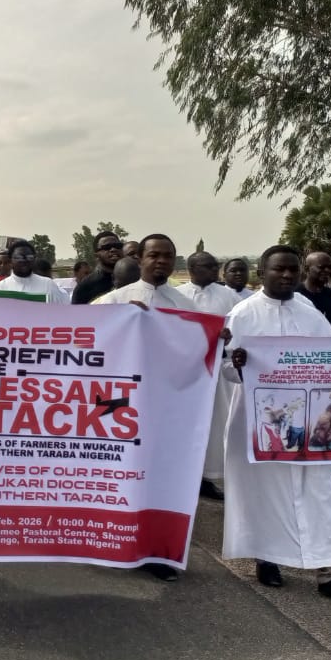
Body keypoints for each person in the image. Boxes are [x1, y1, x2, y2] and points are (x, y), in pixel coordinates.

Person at [225, 245, 331, 601]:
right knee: (265, 494)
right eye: (280, 270)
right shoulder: (242, 314)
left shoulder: (310, 313)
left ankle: (329, 573)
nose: (288, 276)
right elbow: (226, 368)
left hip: (309, 421)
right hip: (261, 424)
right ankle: (268, 558)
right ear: (263, 272)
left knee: (319, 493)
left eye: (292, 269)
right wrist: (239, 363)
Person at [95, 234, 197, 582]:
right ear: (140, 259)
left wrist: (217, 341)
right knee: (117, 475)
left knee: (156, 479)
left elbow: (197, 352)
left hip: (164, 406)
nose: (161, 262)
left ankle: (153, 550)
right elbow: (90, 340)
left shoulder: (185, 306)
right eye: (154, 255)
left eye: (168, 256)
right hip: (117, 406)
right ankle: (107, 540)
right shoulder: (114, 301)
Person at [176, 251, 244, 501]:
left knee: (215, 424)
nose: (216, 269)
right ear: (192, 268)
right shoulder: (178, 296)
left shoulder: (229, 296)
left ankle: (207, 477)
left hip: (216, 373)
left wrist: (227, 336)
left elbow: (239, 330)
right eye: (209, 265)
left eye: (216, 265)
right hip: (183, 374)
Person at [0, 240, 69, 303]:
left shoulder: (47, 285)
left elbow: (61, 312)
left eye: (29, 257)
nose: (24, 261)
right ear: (11, 260)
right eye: (19, 257)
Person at [296, 251, 331, 335]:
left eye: (330, 267)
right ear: (306, 269)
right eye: (321, 267)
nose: (327, 270)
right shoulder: (293, 294)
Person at [71, 232, 122, 304]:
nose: (113, 249)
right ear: (96, 255)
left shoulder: (134, 278)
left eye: (117, 246)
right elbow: (76, 314)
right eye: (107, 247)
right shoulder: (85, 287)